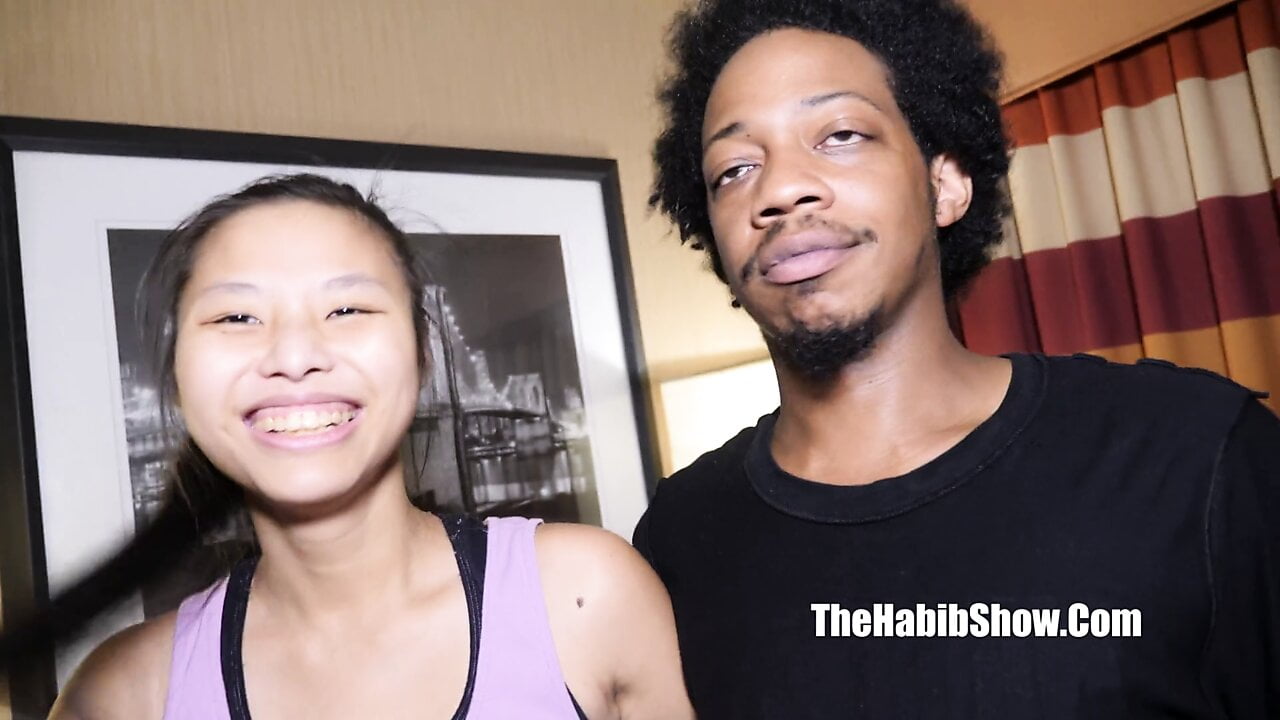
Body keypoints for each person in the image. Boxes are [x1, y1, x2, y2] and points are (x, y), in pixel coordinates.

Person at [633, 0, 1280, 717]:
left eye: (841, 135)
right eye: (734, 169)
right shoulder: (679, 536)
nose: (780, 189)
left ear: (944, 186)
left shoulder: (1194, 454)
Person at [7, 174, 692, 719]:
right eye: (237, 316)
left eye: (347, 309)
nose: (295, 355)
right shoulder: (123, 696)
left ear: (422, 355)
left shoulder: (585, 596)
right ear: (179, 379)